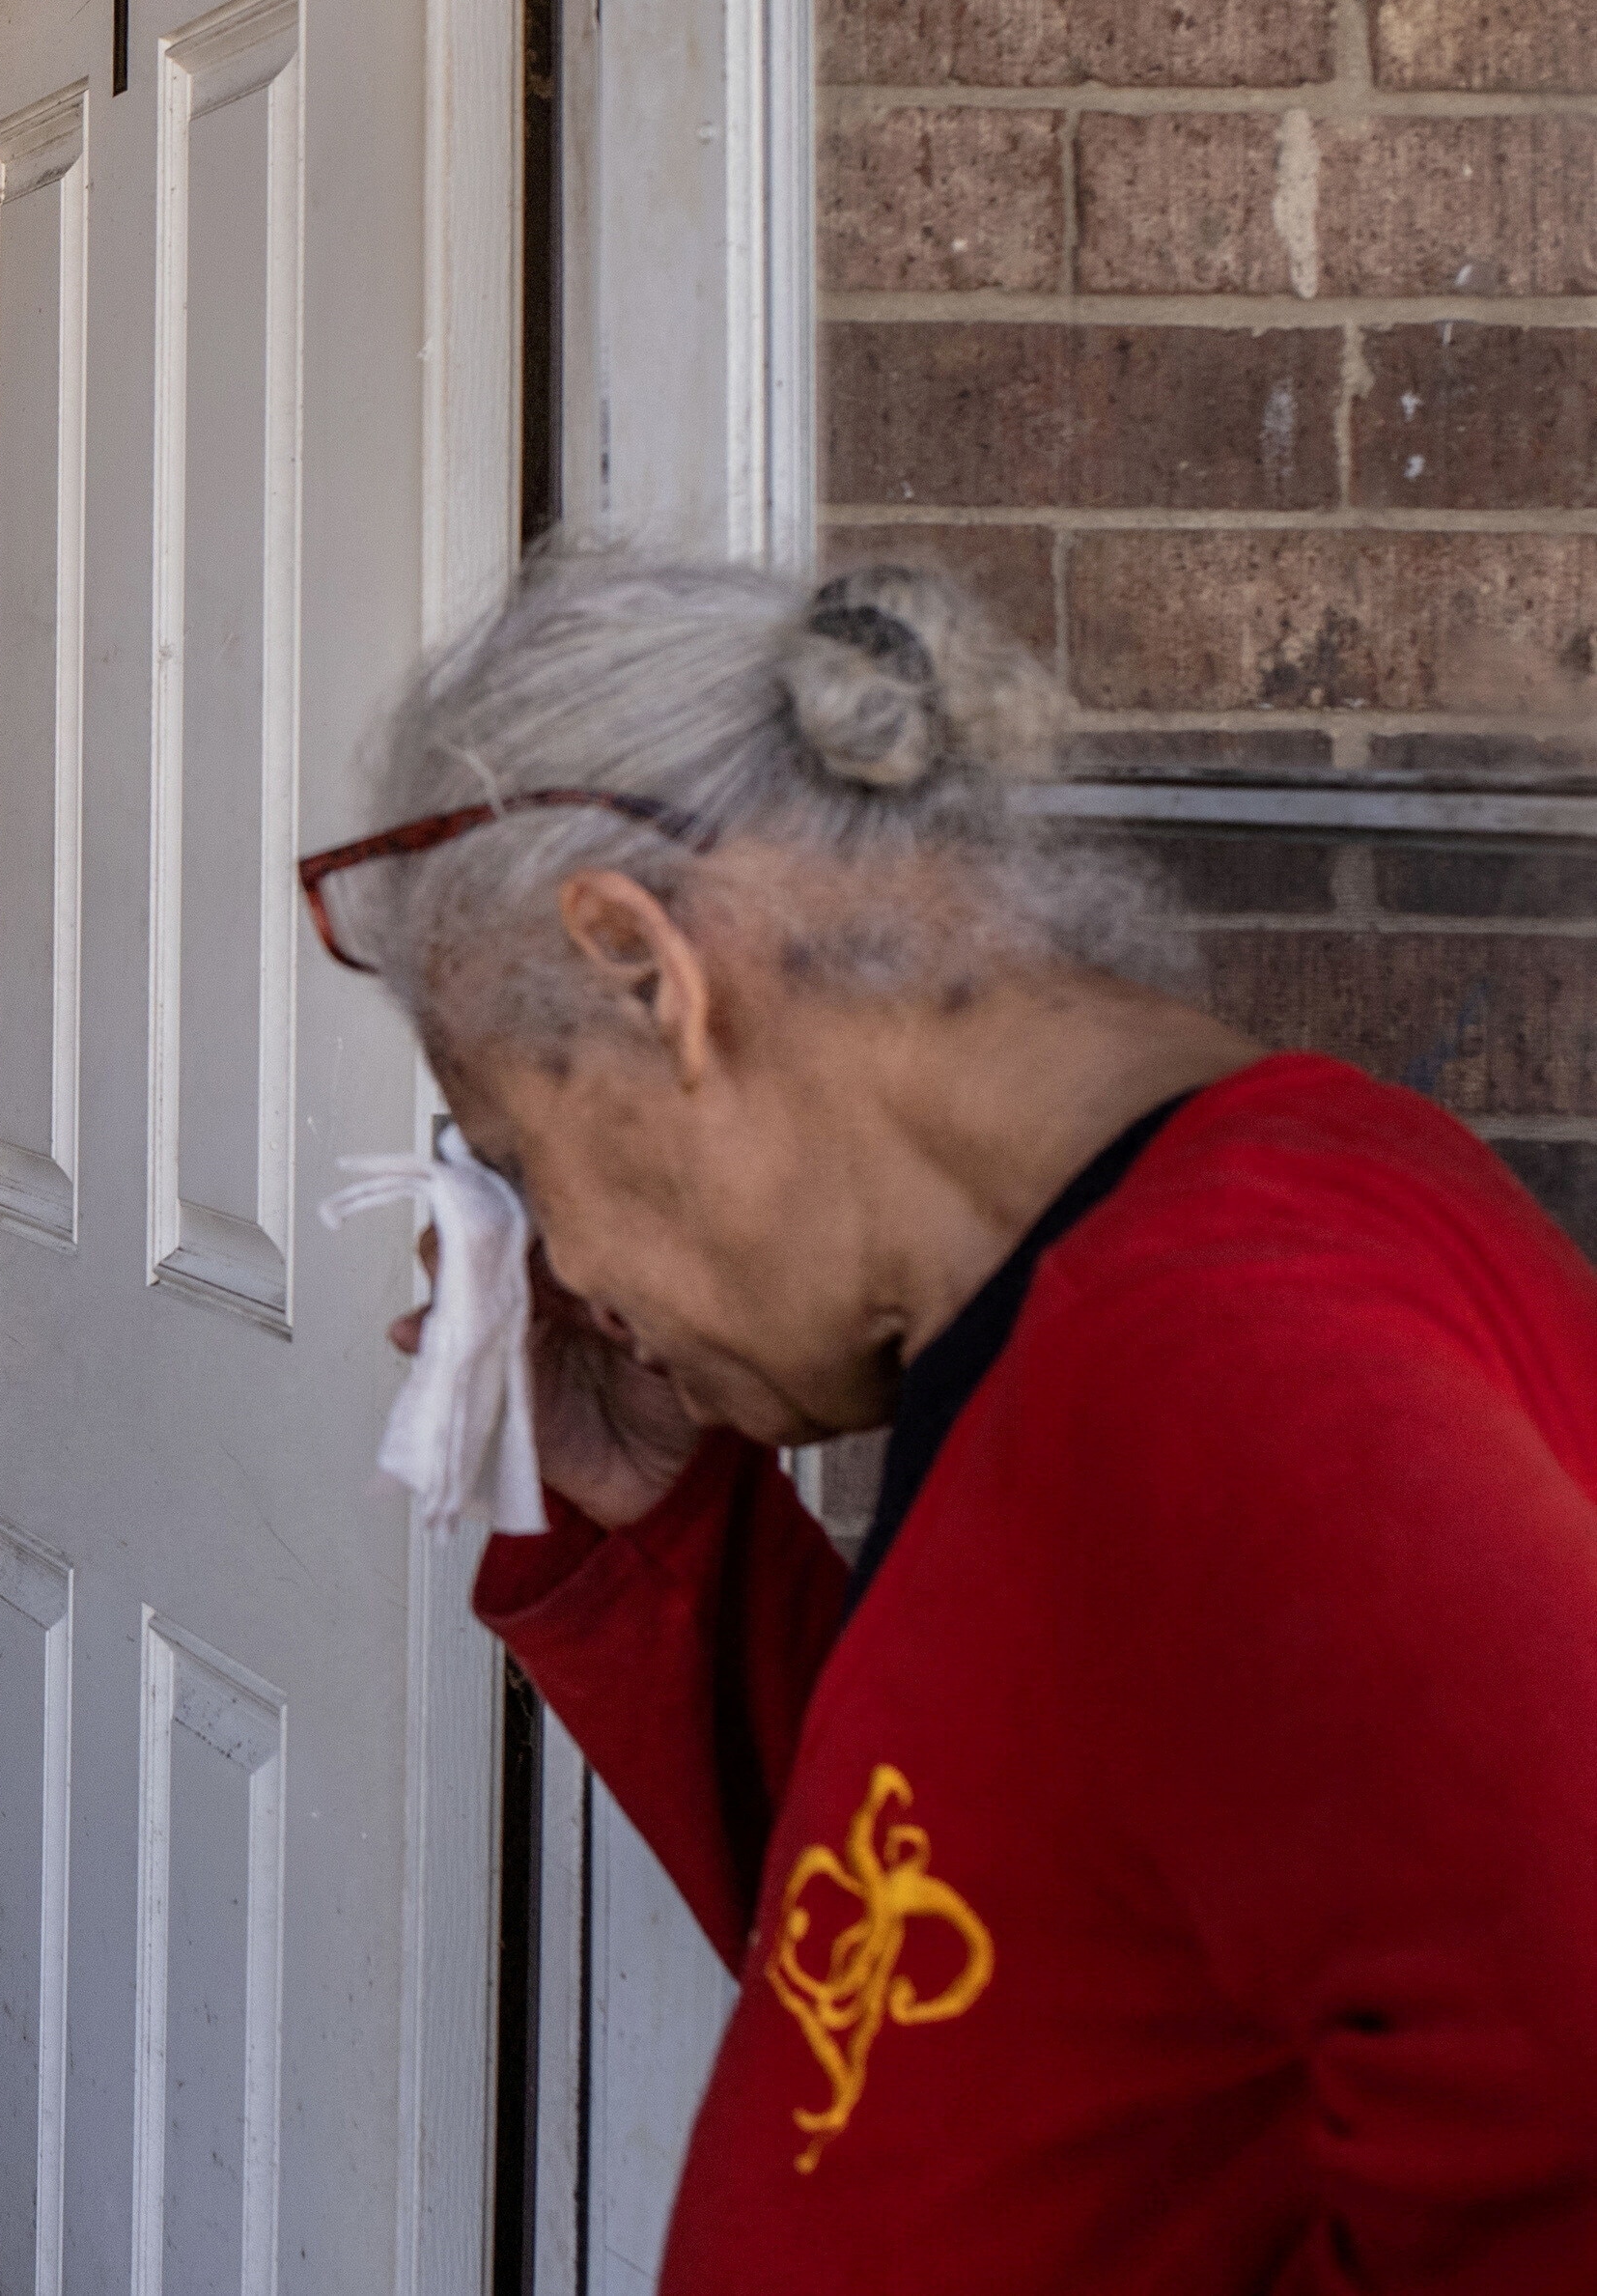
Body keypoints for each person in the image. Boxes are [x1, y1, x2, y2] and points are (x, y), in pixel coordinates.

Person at [304, 552, 1597, 2284]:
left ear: (644, 970)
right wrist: (670, 1530)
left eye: (525, 1158)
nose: (574, 1269)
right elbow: (961, 1956)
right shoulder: (1109, 1299)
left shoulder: (1229, 1358)